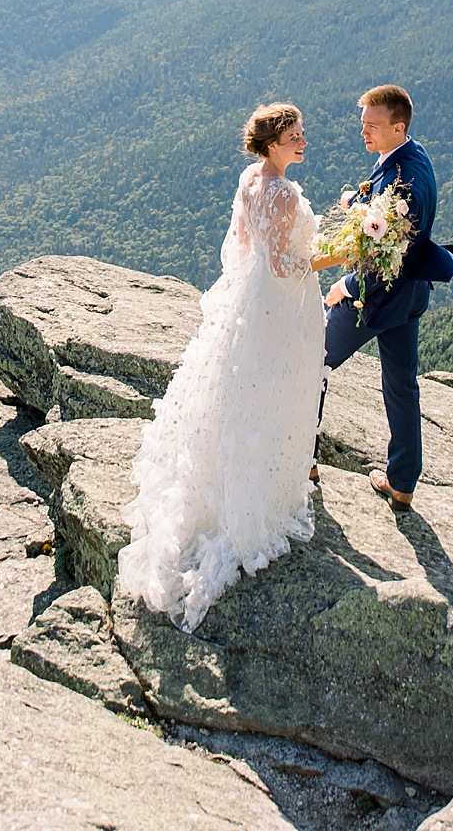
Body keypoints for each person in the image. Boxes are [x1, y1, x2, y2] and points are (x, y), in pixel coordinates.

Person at [116, 102, 350, 632]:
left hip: (251, 303)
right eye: (294, 136)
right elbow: (286, 264)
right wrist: (342, 254)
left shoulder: (250, 179)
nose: (303, 142)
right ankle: (261, 498)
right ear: (272, 143)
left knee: (240, 392)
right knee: (276, 394)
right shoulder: (284, 193)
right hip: (283, 308)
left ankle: (230, 485)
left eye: (301, 134)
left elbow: (243, 247)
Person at [322, 84, 440, 510]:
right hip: (410, 298)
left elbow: (391, 254)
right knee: (402, 386)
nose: (363, 133)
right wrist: (358, 202)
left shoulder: (402, 185)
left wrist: (345, 287)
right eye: (363, 125)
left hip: (375, 300)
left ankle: (300, 460)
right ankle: (402, 481)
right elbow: (389, 215)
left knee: (311, 358)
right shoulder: (413, 155)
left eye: (372, 126)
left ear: (398, 126)